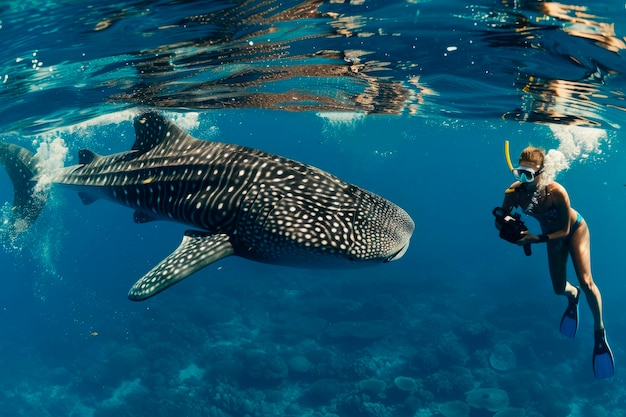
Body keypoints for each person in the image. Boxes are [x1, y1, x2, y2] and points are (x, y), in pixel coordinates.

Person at [497, 145, 614, 379]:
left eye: (528, 174)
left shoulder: (557, 192)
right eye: (519, 172)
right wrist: (508, 229)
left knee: (587, 280)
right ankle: (573, 296)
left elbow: (565, 230)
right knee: (559, 289)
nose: (522, 179)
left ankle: (599, 329)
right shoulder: (514, 192)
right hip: (549, 237)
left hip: (573, 230)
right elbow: (502, 219)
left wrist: (534, 238)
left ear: (541, 173)